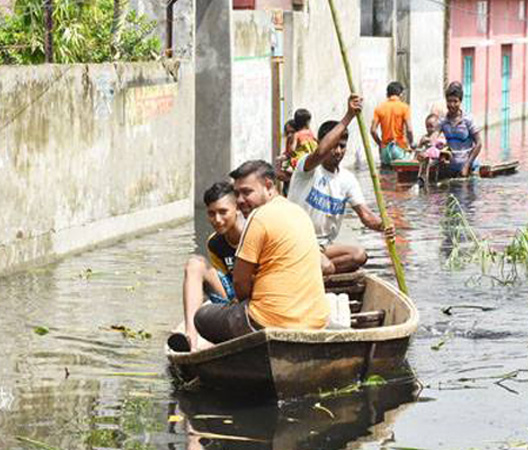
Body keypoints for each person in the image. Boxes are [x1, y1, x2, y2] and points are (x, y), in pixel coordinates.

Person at [193, 160, 329, 344]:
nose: (240, 200)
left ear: (269, 186)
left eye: (247, 192)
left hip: (267, 322)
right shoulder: (298, 212)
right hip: (315, 322)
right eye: (237, 194)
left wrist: (243, 303)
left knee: (202, 317)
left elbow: (240, 283)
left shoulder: (258, 218)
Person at [288, 95, 396, 275]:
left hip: (323, 247)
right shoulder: (307, 167)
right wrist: (348, 117)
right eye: (334, 146)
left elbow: (365, 215)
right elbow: (321, 151)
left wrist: (384, 225)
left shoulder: (347, 179)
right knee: (327, 267)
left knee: (359, 255)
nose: (338, 151)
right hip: (297, 243)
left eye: (342, 146)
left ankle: (310, 271)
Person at [181, 181, 244, 350]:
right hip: (232, 295)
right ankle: (190, 339)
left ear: (237, 208)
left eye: (223, 212)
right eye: (211, 213)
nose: (217, 220)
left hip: (255, 295)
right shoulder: (214, 243)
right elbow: (222, 277)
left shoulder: (252, 233)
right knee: (195, 264)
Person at [440, 81, 482, 177]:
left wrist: (467, 165)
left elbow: (479, 143)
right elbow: (433, 137)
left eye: (455, 101)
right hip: (451, 167)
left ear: (460, 102)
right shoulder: (443, 121)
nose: (452, 105)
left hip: (470, 168)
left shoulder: (468, 120)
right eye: (449, 101)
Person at [370, 81, 414, 165]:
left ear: (387, 94)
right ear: (400, 94)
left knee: (385, 175)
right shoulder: (404, 107)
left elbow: (373, 130)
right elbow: (409, 130)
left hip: (385, 150)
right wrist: (411, 144)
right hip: (399, 148)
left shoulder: (379, 108)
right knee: (402, 175)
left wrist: (380, 144)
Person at [416, 113, 449, 186]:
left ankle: (427, 178)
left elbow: (444, 148)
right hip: (426, 159)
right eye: (427, 127)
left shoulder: (440, 137)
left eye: (431, 127)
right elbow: (418, 150)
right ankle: (422, 178)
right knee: (424, 159)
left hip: (437, 159)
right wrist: (421, 143)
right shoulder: (424, 137)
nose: (429, 129)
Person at [281, 108, 318, 172]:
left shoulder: (297, 135)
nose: (289, 135)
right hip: (310, 159)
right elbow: (316, 142)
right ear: (307, 122)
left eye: (291, 132)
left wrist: (290, 154)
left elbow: (292, 149)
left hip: (300, 160)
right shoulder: (310, 133)